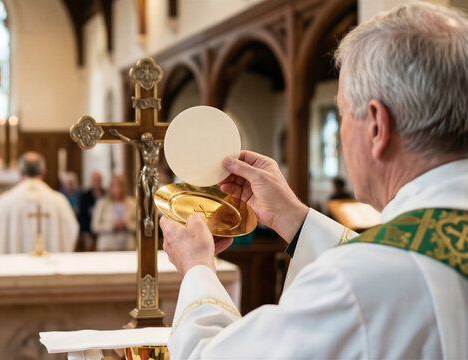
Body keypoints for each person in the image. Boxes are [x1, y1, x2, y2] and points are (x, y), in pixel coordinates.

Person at [160, 3, 468, 359]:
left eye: (340, 115)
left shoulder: (356, 284)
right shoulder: (416, 251)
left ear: (376, 125)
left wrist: (197, 267)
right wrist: (294, 218)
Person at [0, 152, 79, 253]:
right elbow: (71, 231)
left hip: (15, 267)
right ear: (43, 173)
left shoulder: (4, 202)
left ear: (20, 172)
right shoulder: (59, 201)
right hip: (50, 266)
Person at [91, 175, 136, 251]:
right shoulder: (102, 203)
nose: (117, 188)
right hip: (108, 245)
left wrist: (126, 224)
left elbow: (138, 224)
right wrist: (112, 225)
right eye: (114, 185)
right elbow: (95, 226)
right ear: (110, 187)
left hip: (127, 245)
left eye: (120, 185)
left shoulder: (131, 203)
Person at [78, 171, 104, 250]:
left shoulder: (105, 194)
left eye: (98, 180)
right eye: (94, 180)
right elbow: (82, 215)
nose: (96, 182)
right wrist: (85, 231)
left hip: (102, 229)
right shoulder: (85, 196)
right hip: (88, 229)